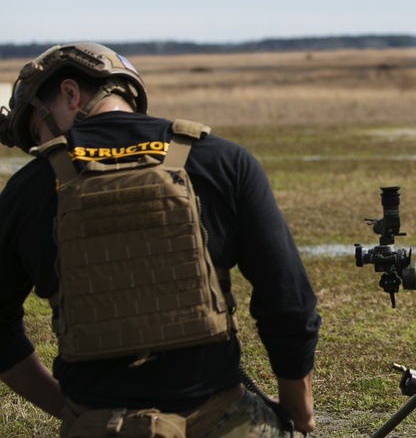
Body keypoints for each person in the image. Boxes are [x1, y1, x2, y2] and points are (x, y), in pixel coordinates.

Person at [0, 42, 321, 437]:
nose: (42, 147)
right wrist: (296, 410)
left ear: (70, 93)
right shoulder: (222, 160)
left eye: (38, 129)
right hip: (220, 418)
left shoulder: (26, 189)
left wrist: (68, 408)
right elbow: (290, 302)